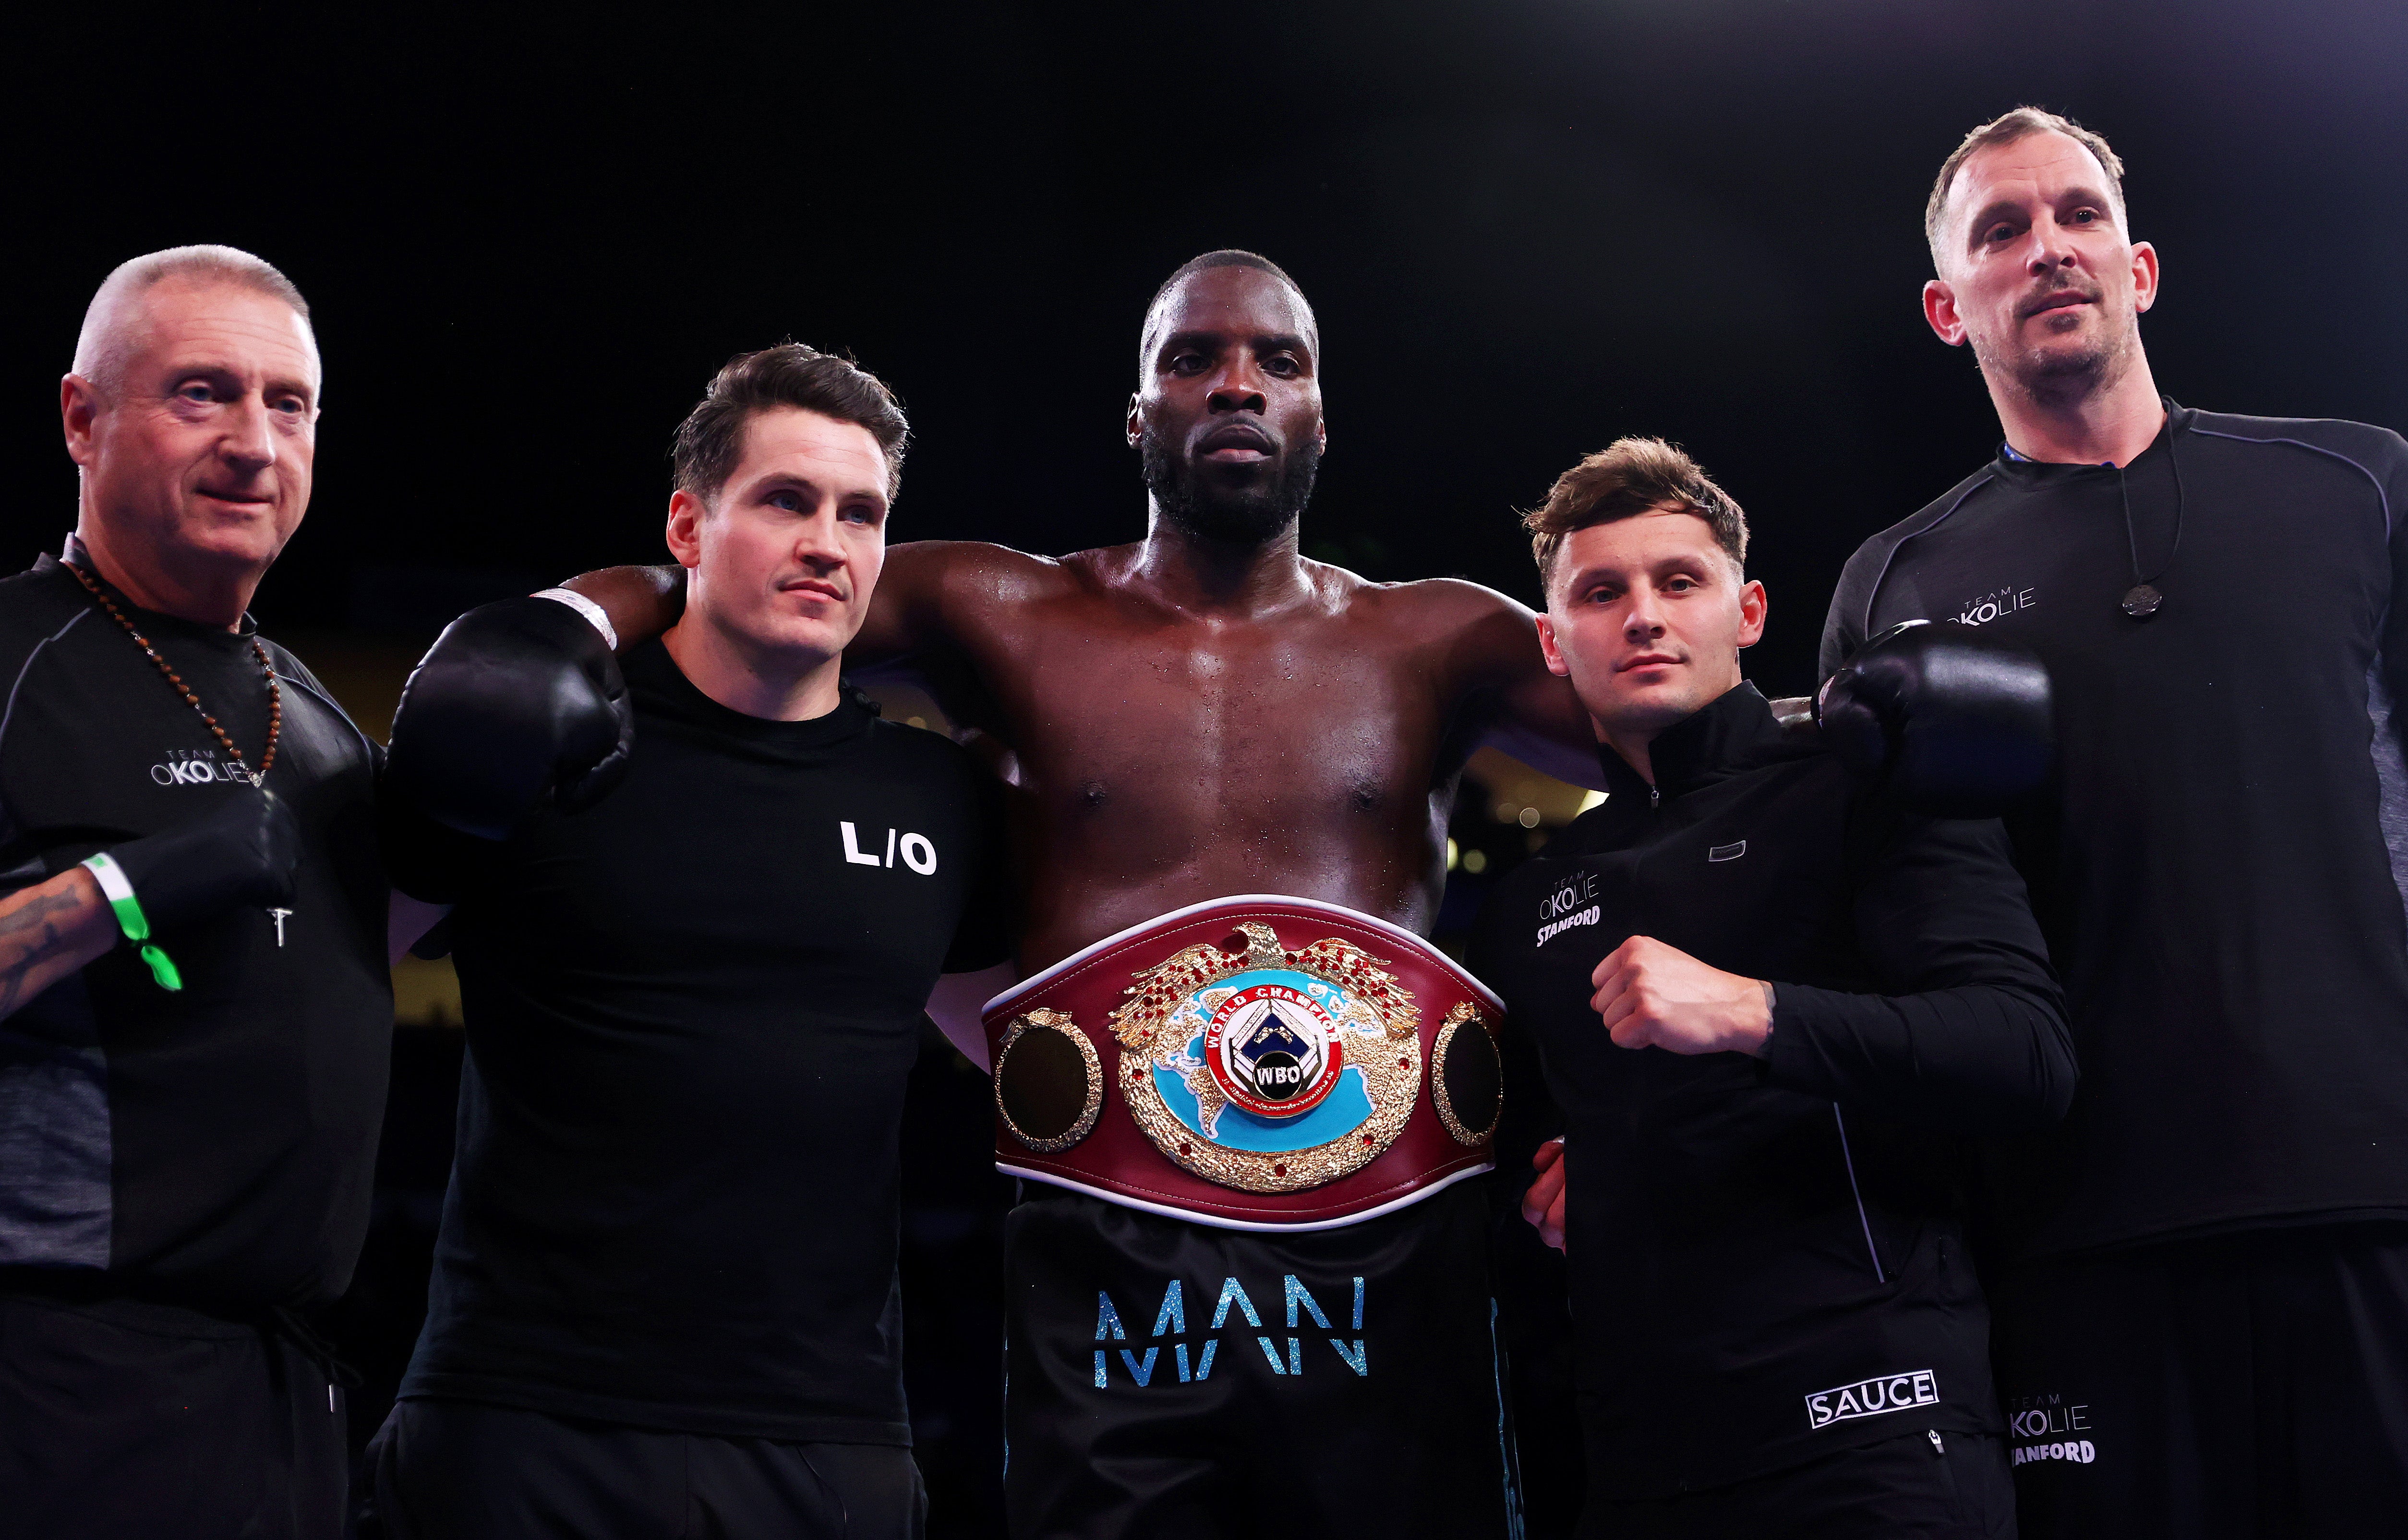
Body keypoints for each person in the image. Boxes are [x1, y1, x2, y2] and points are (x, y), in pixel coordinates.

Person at [409, 251, 1610, 1540]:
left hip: (1380, 1237)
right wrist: (558, 625)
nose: (1235, 387)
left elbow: (1687, 736)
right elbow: (747, 573)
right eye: (1190, 358)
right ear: (1137, 414)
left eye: (1277, 361)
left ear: (1320, 412)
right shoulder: (1007, 608)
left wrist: (1851, 695)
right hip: (1106, 1237)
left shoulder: (1440, 636)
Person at [1816, 107, 2408, 1535]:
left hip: (2374, 1194)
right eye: (2000, 231)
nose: (2048, 251)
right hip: (2076, 1234)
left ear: (2138, 267)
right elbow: (1875, 927)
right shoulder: (1892, 585)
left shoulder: (2356, 488)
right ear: (1942, 307)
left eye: (2077, 217)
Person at [367, 344, 1013, 1539]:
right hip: (522, 1417)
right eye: (785, 499)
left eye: (860, 513)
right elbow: (334, 976)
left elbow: (1034, 1071)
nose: (827, 540)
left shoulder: (935, 796)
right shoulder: (545, 744)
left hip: (825, 1438)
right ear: (688, 523)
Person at [1471, 437, 2071, 1539]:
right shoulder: (1532, 899)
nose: (1642, 615)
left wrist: (1753, 1010)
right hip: (1642, 1458)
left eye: (1677, 581)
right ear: (1554, 643)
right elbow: (1531, 1148)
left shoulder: (1862, 789)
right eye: (1602, 593)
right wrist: (1543, 1189)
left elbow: (2021, 1051)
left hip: (1873, 1426)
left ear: (1746, 611)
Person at [0, 247, 427, 1539]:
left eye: (285, 404)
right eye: (202, 393)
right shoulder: (13, 664)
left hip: (285, 1389)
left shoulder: (321, 727)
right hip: (54, 1377)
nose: (254, 443)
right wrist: (121, 888)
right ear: (82, 416)